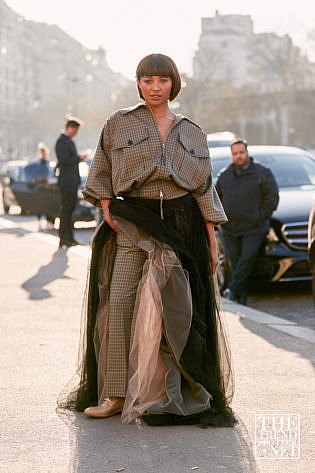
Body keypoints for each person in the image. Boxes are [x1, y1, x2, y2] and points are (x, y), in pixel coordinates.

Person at [59, 54, 235, 427]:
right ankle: (116, 394)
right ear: (138, 83)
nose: (155, 87)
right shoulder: (119, 123)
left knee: (177, 308)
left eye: (162, 80)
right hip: (132, 220)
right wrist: (107, 207)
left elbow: (204, 187)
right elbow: (101, 168)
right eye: (148, 80)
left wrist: (212, 239)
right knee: (119, 301)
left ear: (174, 84)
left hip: (181, 222)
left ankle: (174, 391)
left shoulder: (191, 131)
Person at [216, 139, 279, 305]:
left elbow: (272, 198)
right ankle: (241, 298)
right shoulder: (224, 175)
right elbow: (216, 199)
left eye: (241, 152)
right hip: (229, 229)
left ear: (247, 152)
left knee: (246, 260)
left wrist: (260, 217)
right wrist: (221, 220)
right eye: (235, 153)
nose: (238, 156)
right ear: (232, 155)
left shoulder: (262, 172)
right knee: (236, 263)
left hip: (254, 228)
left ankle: (231, 292)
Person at [55, 117, 87, 248]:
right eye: (76, 130)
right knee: (66, 210)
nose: (76, 133)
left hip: (72, 181)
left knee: (70, 210)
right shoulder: (62, 141)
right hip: (66, 181)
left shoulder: (69, 141)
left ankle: (69, 237)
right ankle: (64, 238)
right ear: (70, 128)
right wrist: (78, 158)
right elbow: (64, 161)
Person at [24, 143, 54, 229]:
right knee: (39, 205)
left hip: (47, 187)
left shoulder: (48, 164)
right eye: (42, 152)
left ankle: (49, 222)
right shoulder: (36, 164)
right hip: (39, 187)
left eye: (44, 152)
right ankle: (39, 221)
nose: (43, 154)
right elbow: (33, 176)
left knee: (48, 205)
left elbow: (50, 174)